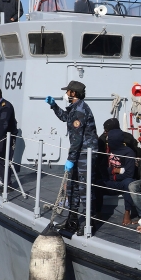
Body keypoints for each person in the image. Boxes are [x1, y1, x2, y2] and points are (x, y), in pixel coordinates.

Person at [44, 80, 98, 234]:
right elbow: (64, 117)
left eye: (68, 91)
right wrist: (54, 106)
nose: (66, 93)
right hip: (78, 153)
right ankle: (72, 220)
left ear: (73, 93)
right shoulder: (75, 108)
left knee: (84, 189)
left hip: (85, 154)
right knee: (72, 188)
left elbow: (77, 138)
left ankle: (89, 223)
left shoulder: (80, 110)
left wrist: (71, 159)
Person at [98, 119, 139, 225]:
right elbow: (102, 167)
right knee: (95, 182)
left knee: (128, 183)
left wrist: (116, 174)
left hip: (122, 183)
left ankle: (127, 214)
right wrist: (114, 171)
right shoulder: (106, 150)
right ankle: (96, 212)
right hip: (109, 181)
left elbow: (129, 173)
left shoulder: (128, 152)